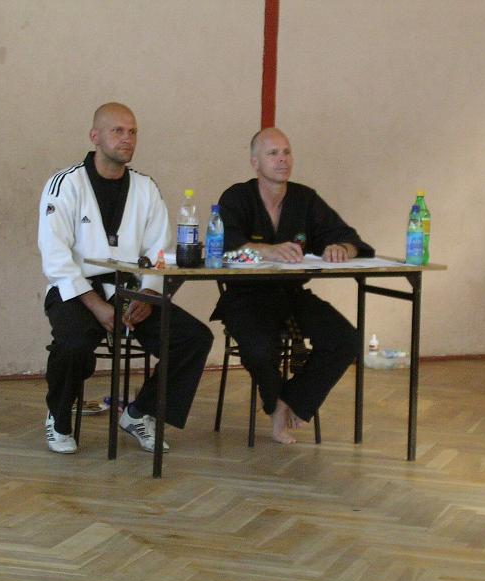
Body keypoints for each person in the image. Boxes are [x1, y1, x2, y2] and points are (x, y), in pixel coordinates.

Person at [38, 102, 213, 454]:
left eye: (132, 132)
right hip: (77, 290)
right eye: (117, 131)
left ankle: (139, 412)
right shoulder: (66, 184)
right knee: (73, 344)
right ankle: (58, 416)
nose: (127, 138)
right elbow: (55, 255)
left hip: (132, 291)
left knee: (193, 339)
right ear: (94, 136)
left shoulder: (146, 188)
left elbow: (159, 251)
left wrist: (149, 294)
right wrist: (96, 305)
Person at [212, 127, 374, 444]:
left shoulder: (305, 199)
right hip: (246, 297)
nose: (282, 159)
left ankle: (293, 400)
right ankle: (274, 406)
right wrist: (266, 250)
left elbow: (349, 238)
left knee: (345, 339)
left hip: (291, 295)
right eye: (273, 153)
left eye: (286, 152)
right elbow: (224, 245)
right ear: (255, 162)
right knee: (259, 350)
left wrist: (342, 248)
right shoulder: (237, 197)